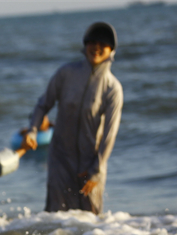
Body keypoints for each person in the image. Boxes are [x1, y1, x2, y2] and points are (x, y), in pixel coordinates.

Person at [21, 22, 123, 215]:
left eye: (102, 44)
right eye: (92, 42)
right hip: (60, 157)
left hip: (90, 162)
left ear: (111, 50)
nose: (96, 47)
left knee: (90, 219)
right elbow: (43, 104)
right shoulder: (66, 73)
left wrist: (96, 169)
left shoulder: (113, 88)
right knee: (56, 216)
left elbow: (110, 133)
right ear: (85, 45)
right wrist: (32, 130)